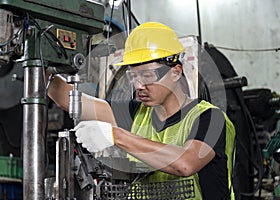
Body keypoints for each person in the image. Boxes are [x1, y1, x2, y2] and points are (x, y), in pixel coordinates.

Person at [47, 21, 236, 200]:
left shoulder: (210, 118)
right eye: (133, 77)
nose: (139, 85)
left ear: (176, 72)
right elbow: (67, 98)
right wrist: (35, 59)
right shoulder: (136, 114)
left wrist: (115, 135)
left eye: (147, 76)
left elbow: (185, 163)